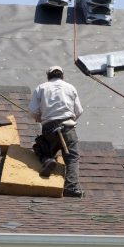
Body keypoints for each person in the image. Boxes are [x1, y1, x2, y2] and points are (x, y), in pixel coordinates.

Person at [29, 66, 85, 198]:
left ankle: (48, 159)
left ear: (48, 76)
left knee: (41, 148)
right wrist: (69, 119)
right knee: (72, 157)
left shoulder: (41, 88)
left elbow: (33, 110)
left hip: (49, 128)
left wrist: (40, 118)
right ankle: (71, 187)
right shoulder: (70, 87)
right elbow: (79, 111)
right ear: (62, 76)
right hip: (67, 126)